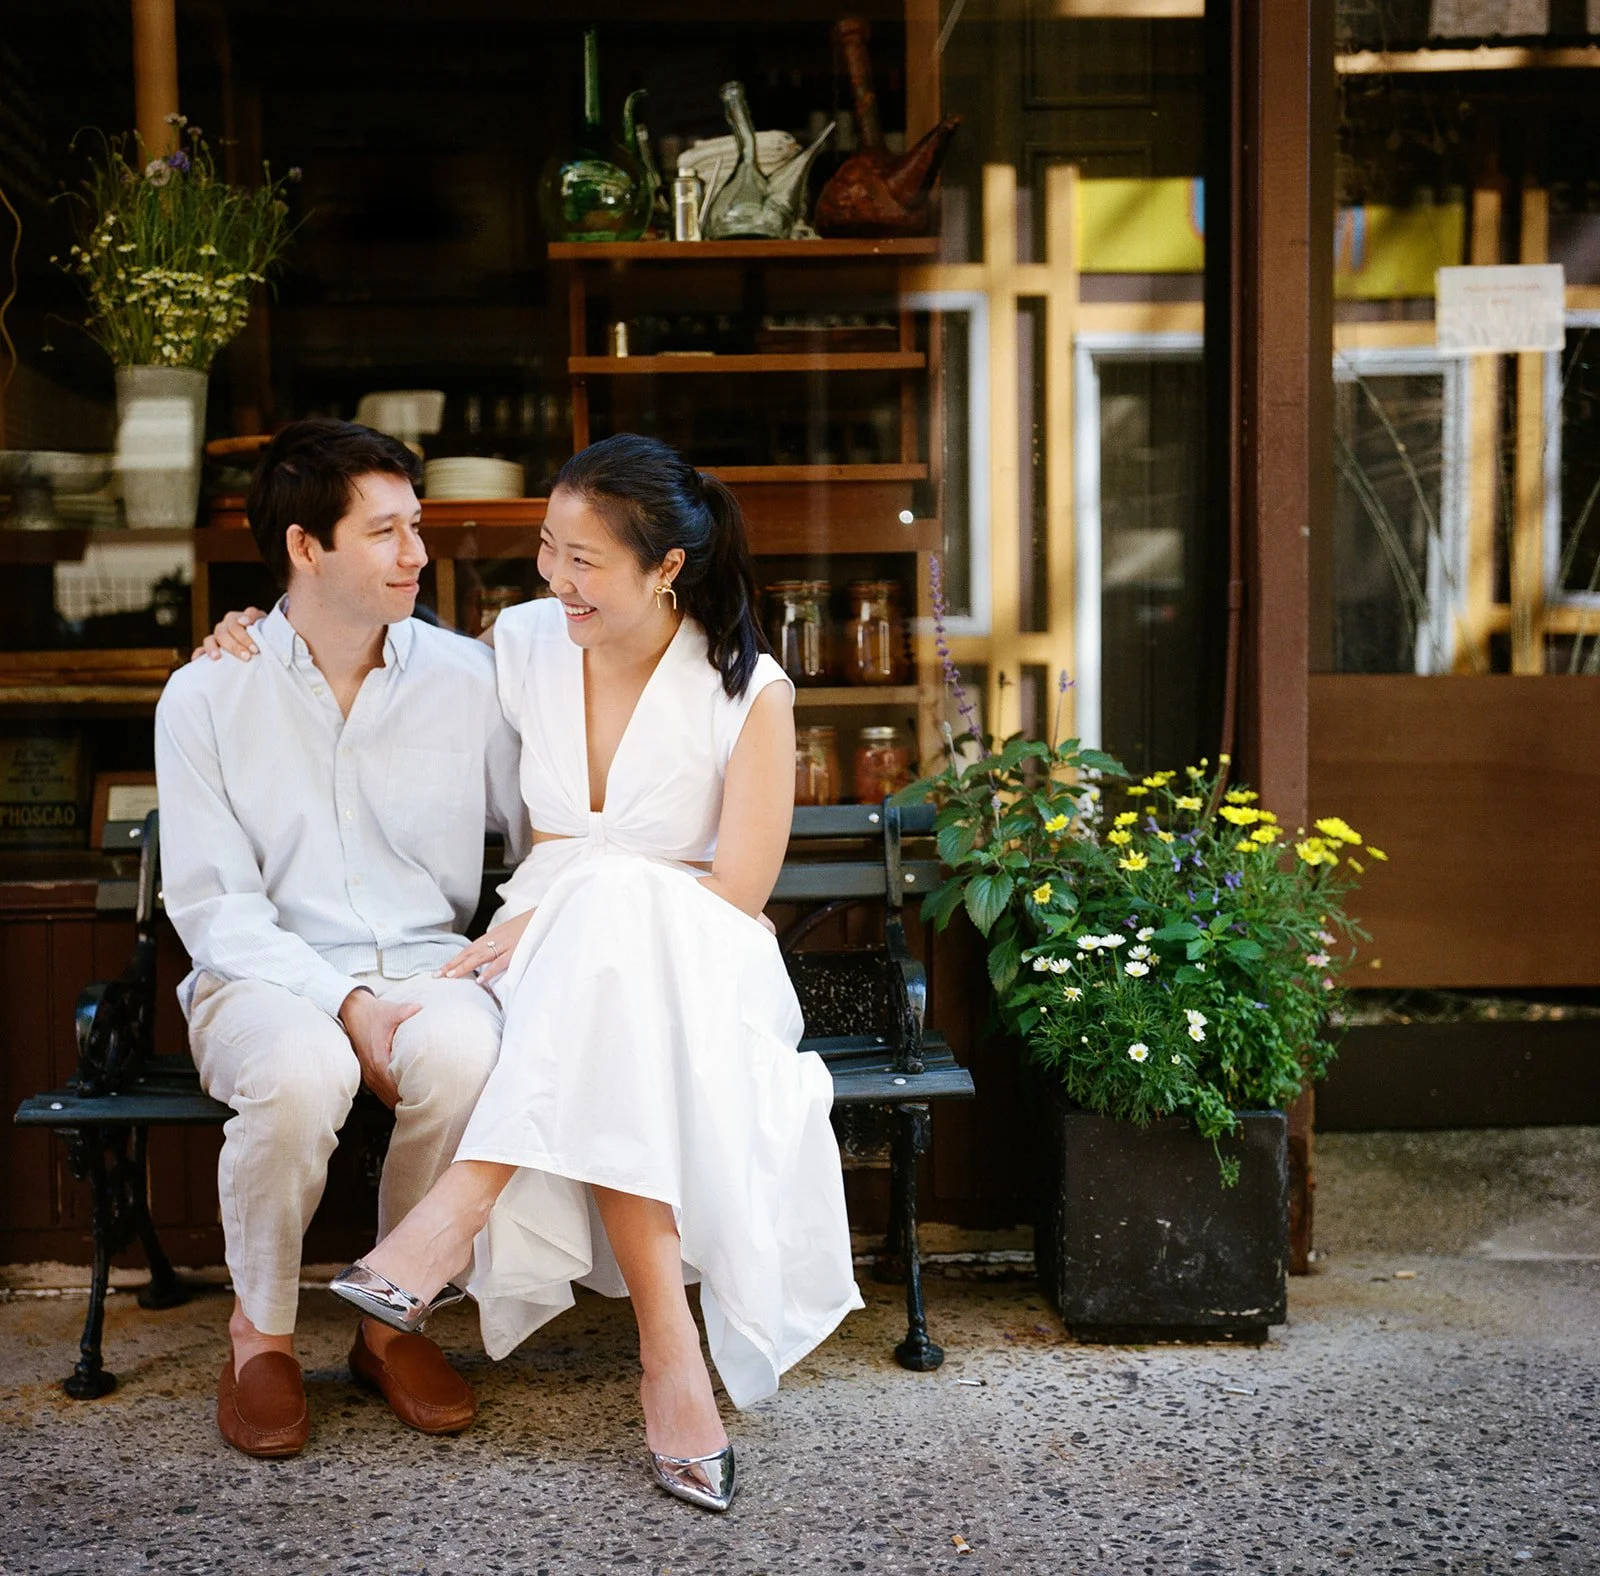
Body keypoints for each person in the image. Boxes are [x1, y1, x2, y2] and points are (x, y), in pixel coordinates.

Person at [328, 433, 862, 1511]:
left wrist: (573, 905)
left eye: (585, 560)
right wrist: (246, 638)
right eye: (546, 548)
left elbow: (741, 889)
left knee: (614, 910)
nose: (554, 579)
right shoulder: (519, 643)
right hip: (550, 954)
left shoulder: (749, 687)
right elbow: (381, 673)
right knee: (605, 984)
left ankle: (459, 1203)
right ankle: (670, 1353)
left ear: (666, 568)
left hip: (700, 952)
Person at [155, 418, 526, 1458]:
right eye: (384, 531)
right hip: (260, 974)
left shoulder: (469, 679)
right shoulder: (207, 694)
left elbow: (539, 832)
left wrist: (508, 940)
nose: (416, 552)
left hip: (428, 958)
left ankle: (391, 1319)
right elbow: (217, 908)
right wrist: (342, 1002)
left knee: (465, 1051)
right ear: (305, 547)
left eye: (417, 526)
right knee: (305, 1068)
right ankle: (260, 1337)